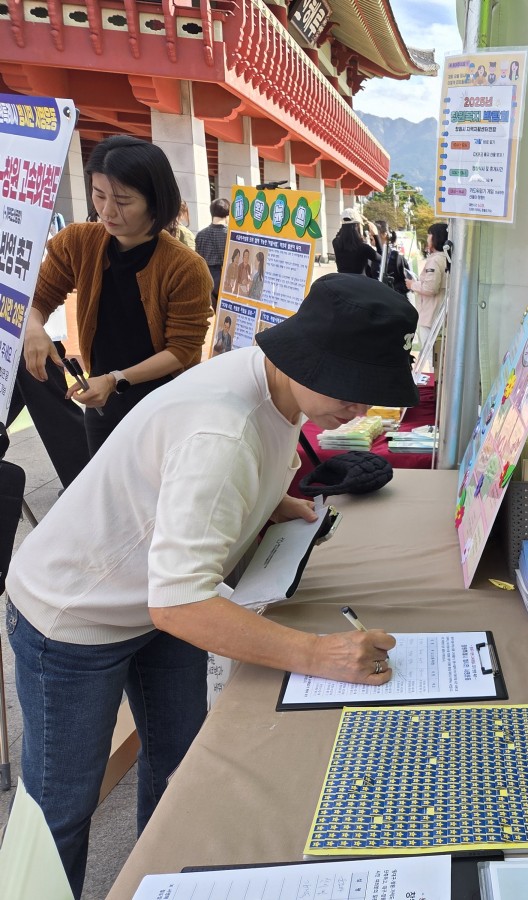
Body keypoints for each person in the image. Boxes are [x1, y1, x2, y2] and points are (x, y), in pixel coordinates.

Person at [6, 274, 419, 898]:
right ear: (306, 358)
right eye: (351, 388)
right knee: (58, 811)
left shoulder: (272, 383)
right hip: (75, 615)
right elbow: (181, 603)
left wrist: (267, 500)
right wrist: (318, 654)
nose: (360, 409)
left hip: (154, 593)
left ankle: (158, 883)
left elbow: (197, 507)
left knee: (181, 771)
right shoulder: (223, 432)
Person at [25, 134, 213, 456]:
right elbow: (38, 297)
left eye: (123, 201)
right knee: (105, 482)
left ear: (155, 201)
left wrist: (114, 380)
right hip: (101, 403)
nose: (107, 211)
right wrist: (33, 328)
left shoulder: (185, 267)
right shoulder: (77, 242)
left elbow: (181, 351)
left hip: (163, 405)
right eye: (99, 195)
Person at [407, 222, 449, 355]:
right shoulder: (447, 258)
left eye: (429, 235)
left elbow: (430, 288)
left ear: (435, 237)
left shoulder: (434, 260)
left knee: (429, 354)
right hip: (441, 313)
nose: (427, 238)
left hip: (430, 314)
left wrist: (412, 285)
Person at [194, 198, 230, 309]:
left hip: (205, 278)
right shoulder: (230, 235)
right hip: (225, 278)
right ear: (228, 214)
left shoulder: (200, 234)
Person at [332, 208, 378, 275]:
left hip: (341, 279)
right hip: (360, 281)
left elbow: (341, 233)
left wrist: (346, 224)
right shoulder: (364, 247)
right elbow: (382, 260)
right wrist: (375, 235)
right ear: (357, 226)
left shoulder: (335, 243)